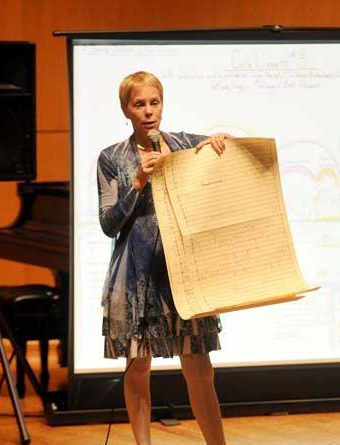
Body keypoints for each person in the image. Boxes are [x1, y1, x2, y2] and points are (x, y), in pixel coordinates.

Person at [97, 71, 230, 445]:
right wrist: (137, 183)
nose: (148, 111)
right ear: (126, 109)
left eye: (154, 102)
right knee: (138, 366)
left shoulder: (185, 143)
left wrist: (221, 140)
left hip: (182, 272)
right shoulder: (112, 158)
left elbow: (227, 153)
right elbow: (109, 224)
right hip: (136, 274)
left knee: (199, 366)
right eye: (139, 104)